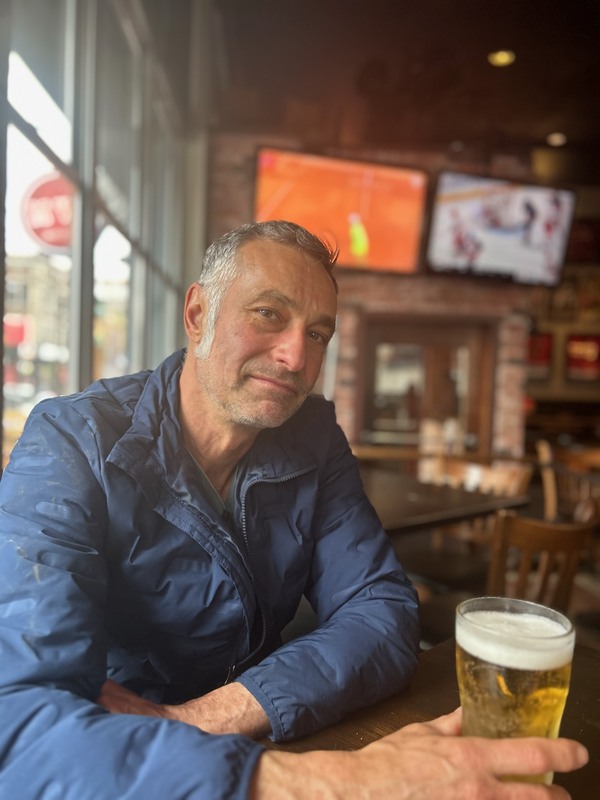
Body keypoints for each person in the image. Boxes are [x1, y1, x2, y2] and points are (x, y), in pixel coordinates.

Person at [0, 221, 588, 798]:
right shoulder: (71, 440)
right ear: (199, 314)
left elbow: (382, 611)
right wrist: (348, 783)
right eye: (268, 314)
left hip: (259, 731)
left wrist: (200, 719)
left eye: (318, 334)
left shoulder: (313, 436)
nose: (295, 356)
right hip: (119, 762)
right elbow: (21, 723)